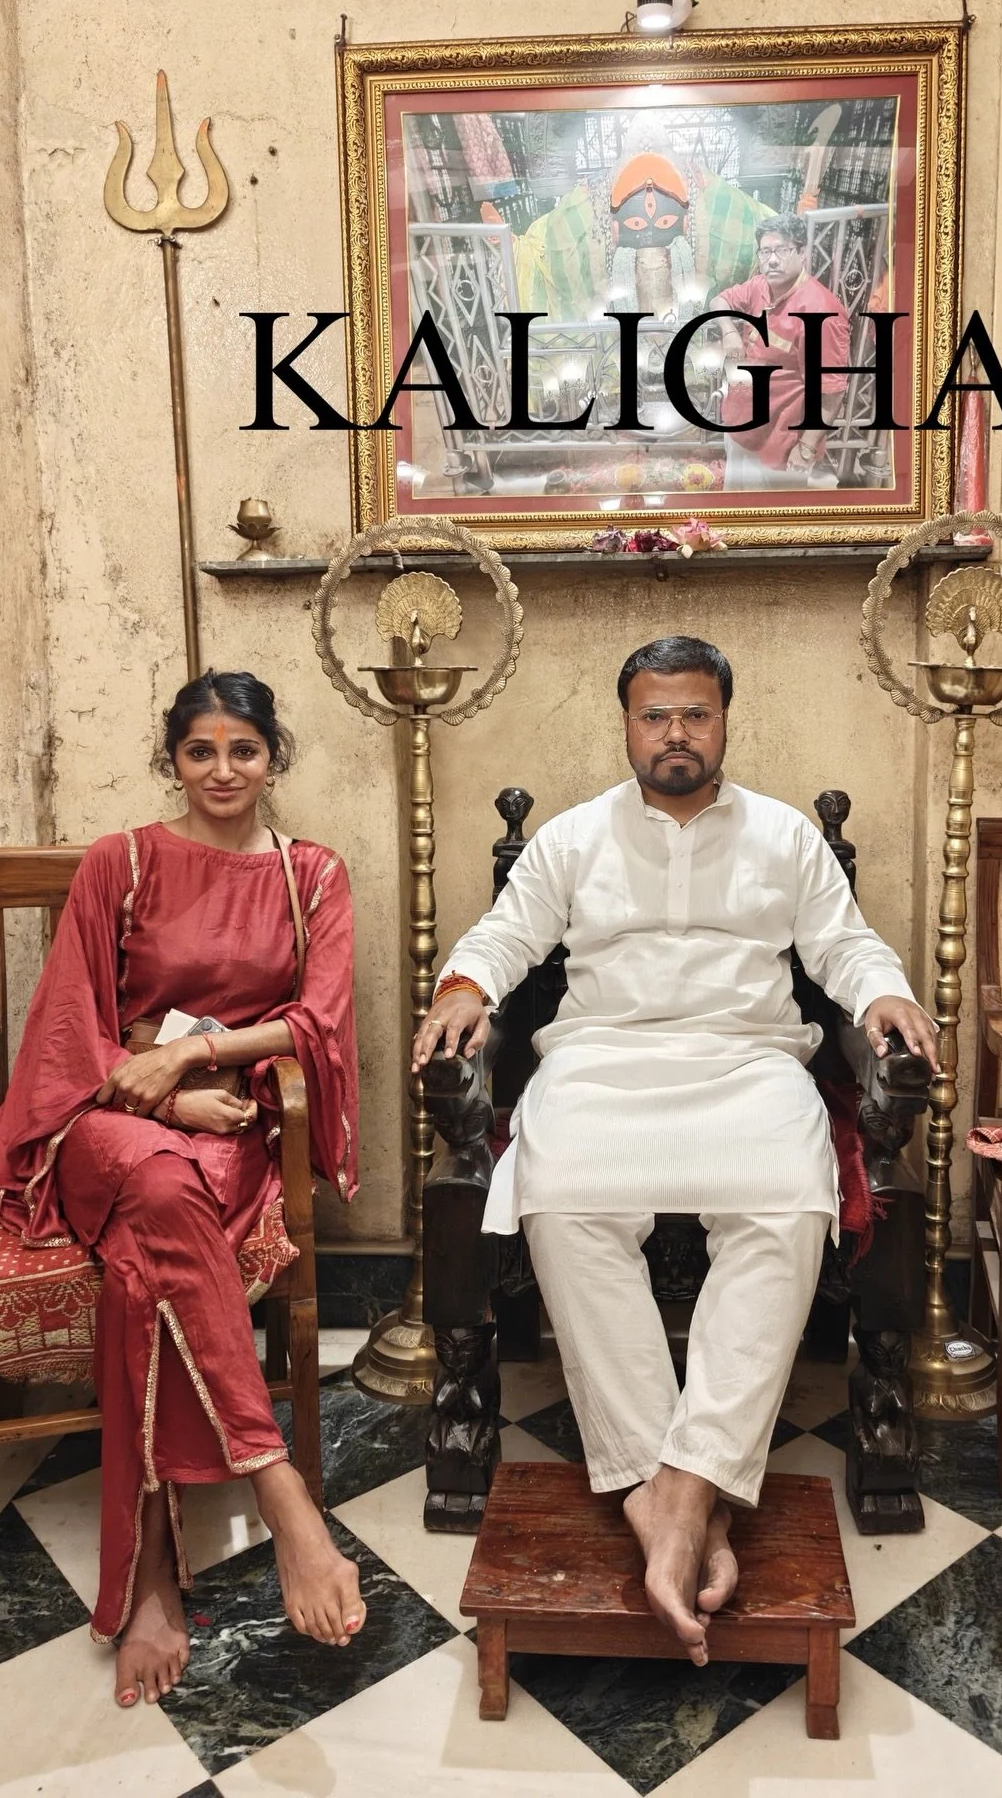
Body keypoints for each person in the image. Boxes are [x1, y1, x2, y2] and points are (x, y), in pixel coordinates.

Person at [411, 636, 936, 1664]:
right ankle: (684, 1497)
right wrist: (464, 991)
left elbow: (844, 944)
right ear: (627, 725)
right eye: (655, 717)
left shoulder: (786, 837)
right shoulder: (574, 838)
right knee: (561, 1199)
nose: (676, 734)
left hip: (749, 1064)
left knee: (788, 1206)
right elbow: (504, 936)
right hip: (600, 1063)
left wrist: (884, 994)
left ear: (725, 721)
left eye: (695, 714)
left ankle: (674, 1494)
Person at [0, 672, 365, 1707]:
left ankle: (154, 1571)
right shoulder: (118, 862)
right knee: (158, 1185)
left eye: (243, 750)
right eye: (200, 750)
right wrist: (159, 1093)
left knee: (145, 1258)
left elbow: (318, 1021)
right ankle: (280, 1489)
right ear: (173, 760)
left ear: (273, 759)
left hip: (229, 1127)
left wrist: (195, 1057)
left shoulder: (311, 874)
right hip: (103, 1121)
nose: (222, 770)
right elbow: (67, 1031)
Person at [709, 213, 850, 491]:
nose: (772, 260)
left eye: (782, 250)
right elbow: (719, 300)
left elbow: (831, 394)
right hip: (741, 425)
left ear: (802, 252)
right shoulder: (760, 285)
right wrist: (728, 330)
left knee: (769, 513)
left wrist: (806, 448)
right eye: (765, 252)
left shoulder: (822, 313)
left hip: (779, 445)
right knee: (735, 505)